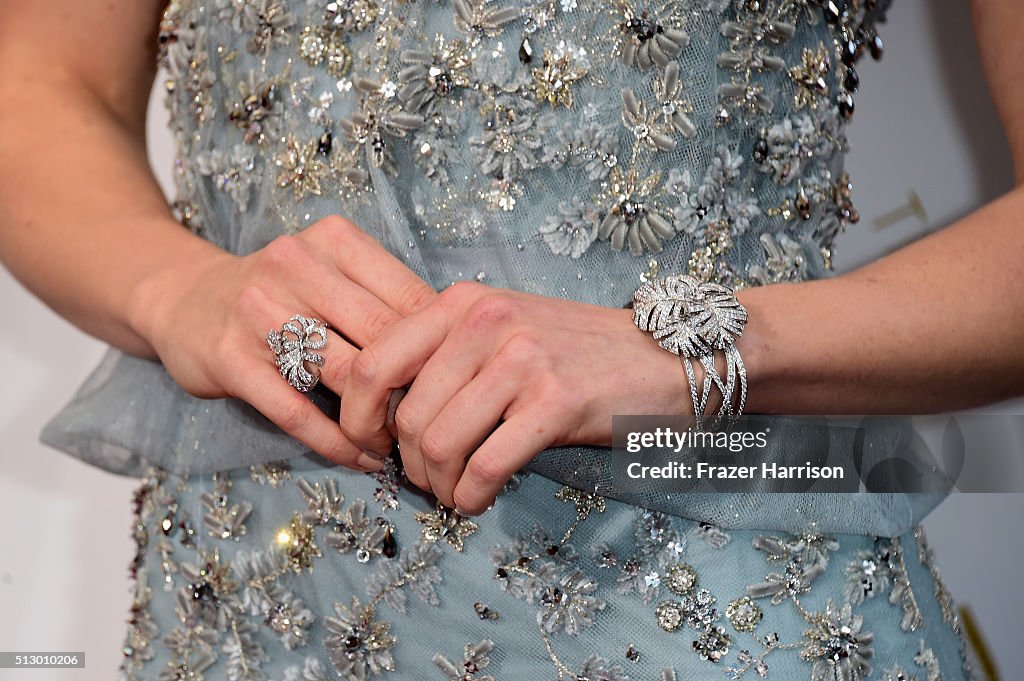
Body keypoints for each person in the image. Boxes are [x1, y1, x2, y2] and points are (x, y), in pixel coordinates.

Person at [1, 0, 1020, 679]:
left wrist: (686, 348)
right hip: (253, 610)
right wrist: (180, 288)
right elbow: (43, 83)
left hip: (695, 607)